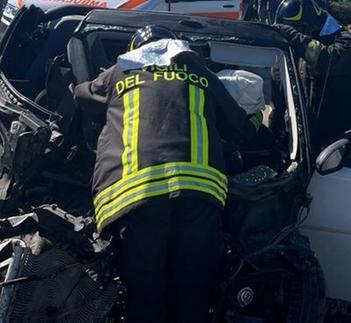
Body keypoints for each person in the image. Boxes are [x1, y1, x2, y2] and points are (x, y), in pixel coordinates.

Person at [74, 25, 256, 323]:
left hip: (136, 194)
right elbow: (239, 125)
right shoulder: (199, 73)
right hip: (199, 194)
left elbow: (82, 97)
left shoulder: (119, 72)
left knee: (144, 292)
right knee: (194, 291)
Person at [274, 0, 351, 167]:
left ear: (310, 26)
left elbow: (325, 60)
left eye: (298, 30)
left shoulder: (345, 44)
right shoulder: (301, 48)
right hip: (325, 146)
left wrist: (290, 34)